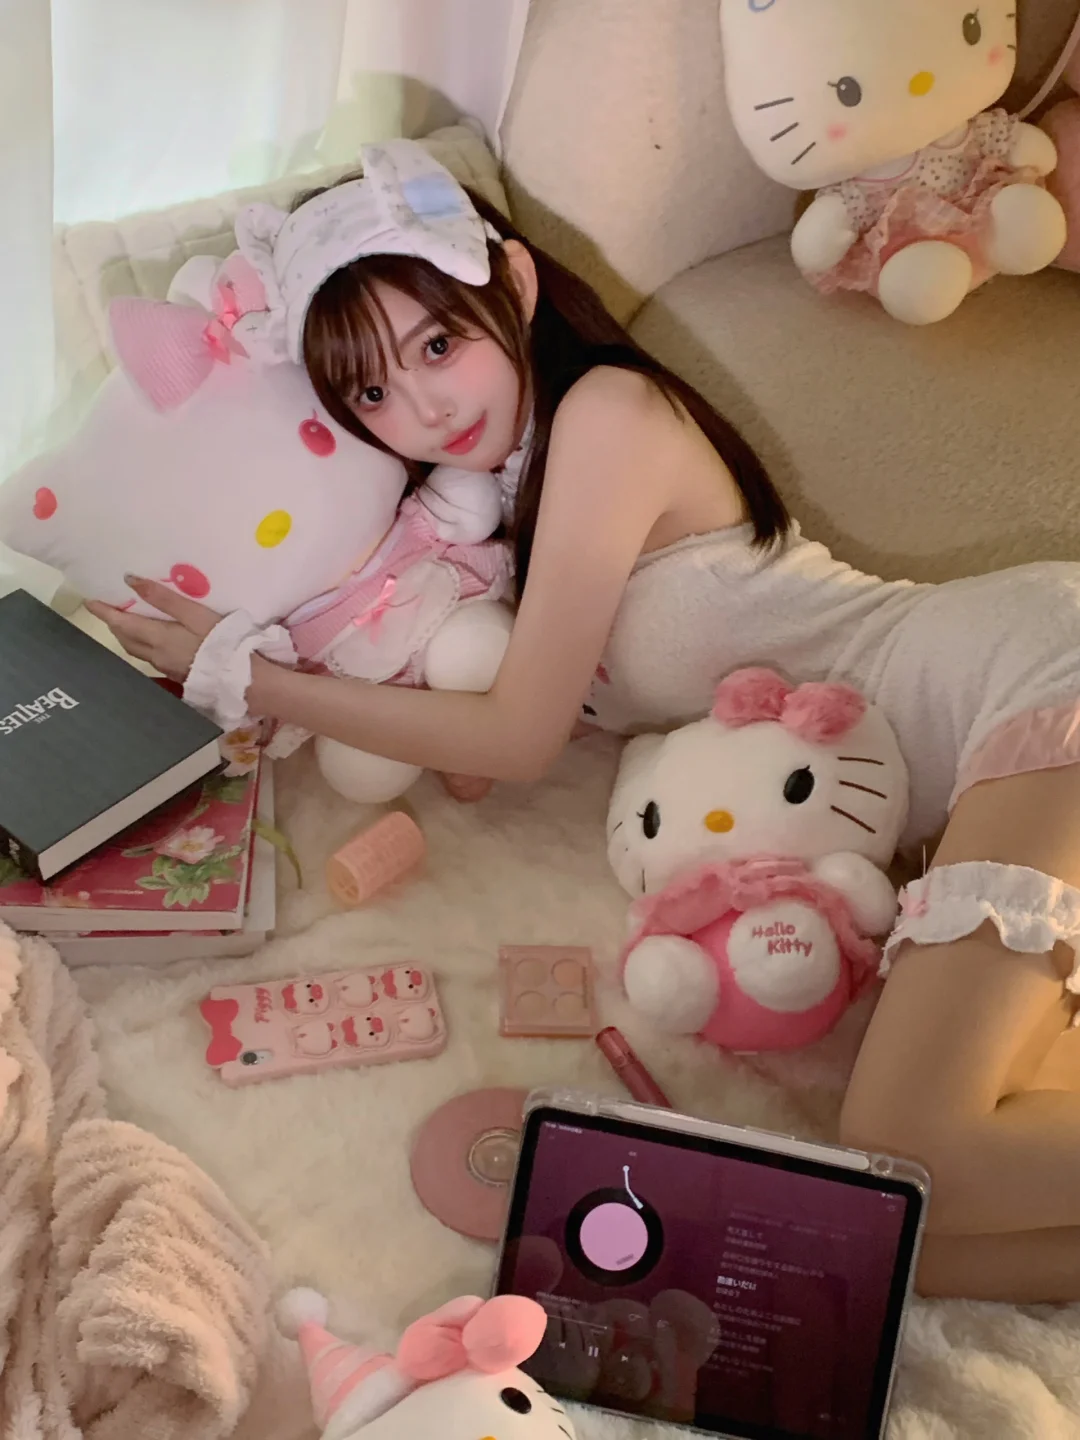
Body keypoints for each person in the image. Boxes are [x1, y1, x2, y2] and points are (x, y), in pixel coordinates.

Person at [89, 140, 1080, 1306]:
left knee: (915, 1158)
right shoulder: (500, 501)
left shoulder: (609, 413)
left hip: (1026, 679)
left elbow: (517, 736)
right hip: (967, 780)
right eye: (373, 393)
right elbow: (478, 731)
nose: (423, 408)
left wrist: (255, 679)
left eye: (439, 345)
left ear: (513, 283)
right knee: (883, 1255)